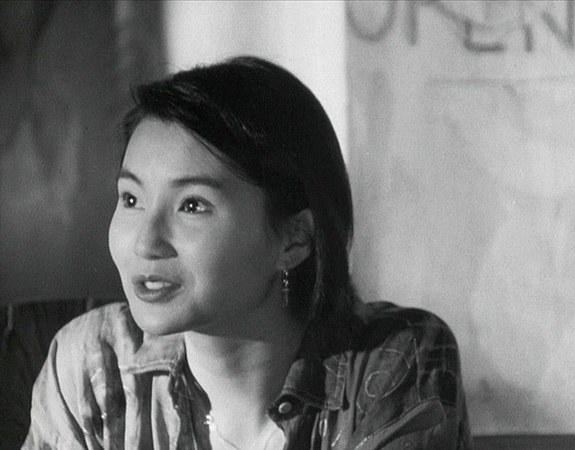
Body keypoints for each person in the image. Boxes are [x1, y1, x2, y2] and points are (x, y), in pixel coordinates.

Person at [23, 56, 472, 449]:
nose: (145, 242)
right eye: (131, 199)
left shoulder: (397, 359)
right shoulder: (93, 365)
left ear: (294, 239)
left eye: (192, 205)